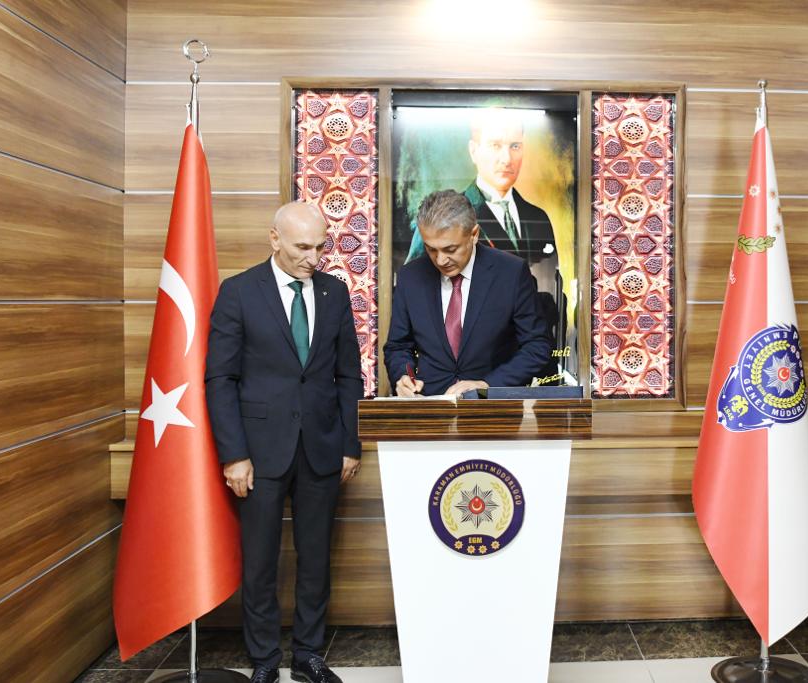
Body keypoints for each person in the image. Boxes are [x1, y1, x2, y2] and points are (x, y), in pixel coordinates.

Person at [205, 201, 362, 683]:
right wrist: (234, 454)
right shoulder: (238, 292)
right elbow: (220, 378)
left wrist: (350, 444)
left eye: (320, 247)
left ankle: (309, 655)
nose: (313, 258)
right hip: (259, 451)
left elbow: (348, 375)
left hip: (321, 447)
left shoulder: (335, 292)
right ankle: (265, 660)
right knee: (260, 561)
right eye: (302, 247)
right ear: (274, 239)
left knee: (315, 558)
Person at [384, 189, 551, 397]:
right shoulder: (410, 277)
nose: (440, 260)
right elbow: (397, 347)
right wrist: (403, 376)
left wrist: (487, 385)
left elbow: (537, 346)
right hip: (429, 405)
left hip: (493, 406)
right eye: (431, 249)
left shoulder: (511, 273)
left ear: (474, 235)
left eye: (450, 249)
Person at [462, 107, 557, 268]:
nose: (507, 159)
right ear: (474, 151)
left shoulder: (538, 217)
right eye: (495, 145)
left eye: (515, 146)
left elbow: (550, 277)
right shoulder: (454, 215)